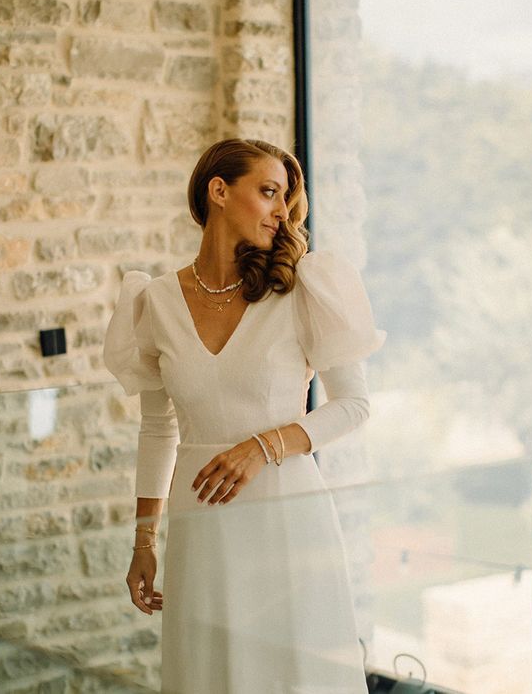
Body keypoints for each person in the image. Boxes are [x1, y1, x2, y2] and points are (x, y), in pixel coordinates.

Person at [103, 138, 385, 693]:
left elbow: (354, 405)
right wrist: (143, 541)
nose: (283, 212)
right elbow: (159, 427)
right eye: (269, 192)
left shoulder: (302, 288)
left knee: (293, 675)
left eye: (287, 199)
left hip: (287, 515)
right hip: (201, 523)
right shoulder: (154, 300)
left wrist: (264, 446)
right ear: (219, 191)